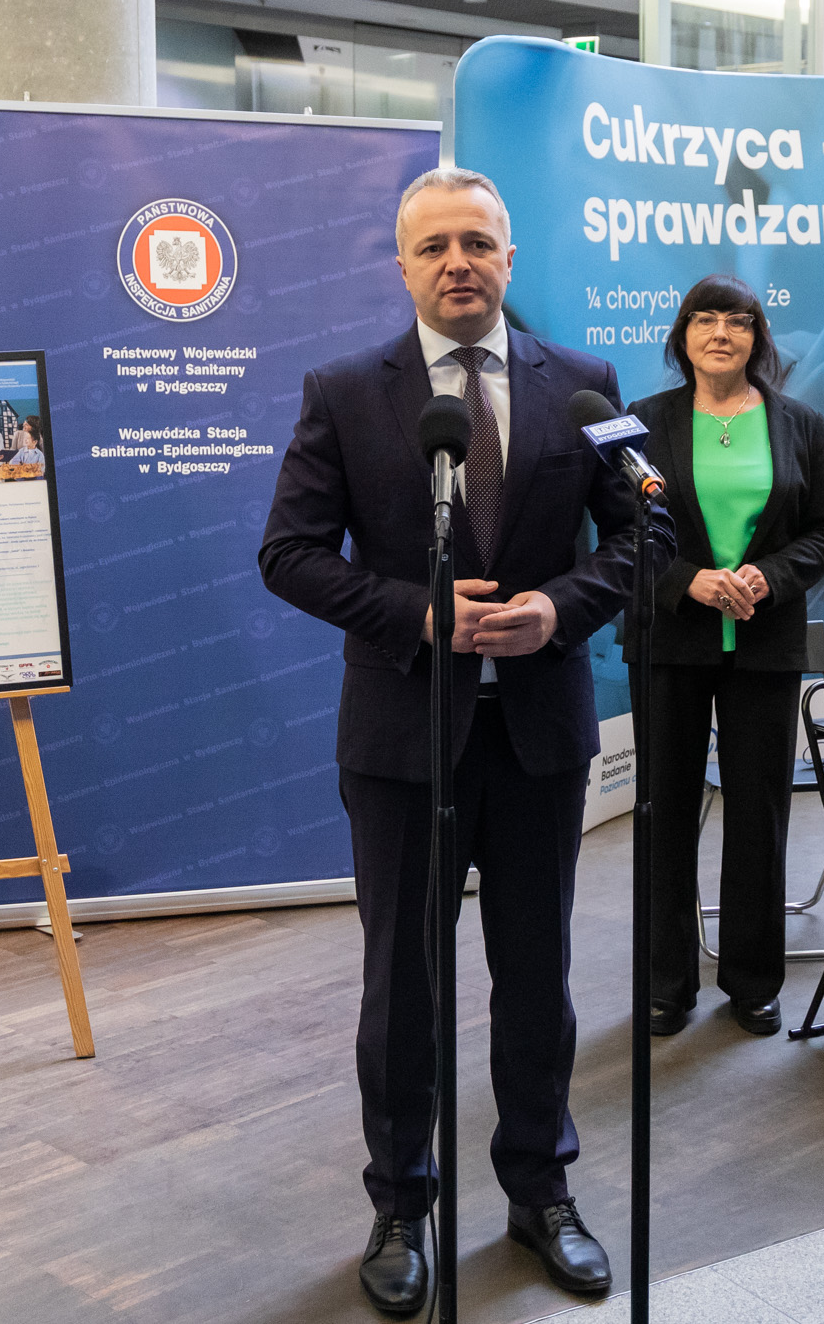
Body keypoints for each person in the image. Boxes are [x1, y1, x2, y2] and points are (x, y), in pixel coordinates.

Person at [260, 167, 672, 1314]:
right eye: (435, 245)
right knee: (402, 986)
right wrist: (420, 613)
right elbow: (288, 554)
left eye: (477, 243)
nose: (458, 262)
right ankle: (401, 1203)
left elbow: (645, 532)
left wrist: (558, 607)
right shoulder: (346, 392)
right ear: (401, 265)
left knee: (536, 976)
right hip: (401, 739)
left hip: (538, 734)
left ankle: (540, 1192)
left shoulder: (582, 386)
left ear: (507, 259)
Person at [630, 274, 824, 1041]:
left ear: (758, 337)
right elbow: (621, 532)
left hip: (764, 641)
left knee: (760, 815)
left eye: (738, 320)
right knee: (663, 813)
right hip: (671, 642)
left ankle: (754, 981)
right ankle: (665, 982)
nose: (721, 332)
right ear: (682, 335)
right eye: (704, 318)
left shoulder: (800, 424)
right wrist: (687, 580)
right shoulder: (641, 422)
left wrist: (768, 576)